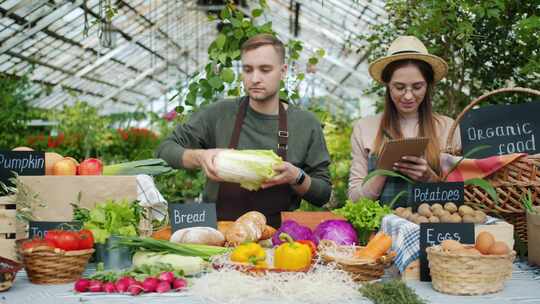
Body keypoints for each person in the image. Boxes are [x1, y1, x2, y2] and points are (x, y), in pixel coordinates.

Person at [156, 34, 331, 227]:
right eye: (248, 70)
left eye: (265, 70)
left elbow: (322, 194)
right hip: (216, 233)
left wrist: (296, 177)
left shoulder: (305, 124)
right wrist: (199, 157)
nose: (255, 78)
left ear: (283, 71)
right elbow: (164, 151)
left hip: (276, 239)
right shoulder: (219, 114)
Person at [348, 36, 461, 207]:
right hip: (382, 233)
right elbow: (354, 200)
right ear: (387, 85)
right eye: (399, 87)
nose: (408, 96)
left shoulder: (448, 128)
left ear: (428, 85)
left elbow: (464, 198)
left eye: (417, 87)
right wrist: (382, 172)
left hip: (433, 230)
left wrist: (430, 179)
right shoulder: (365, 128)